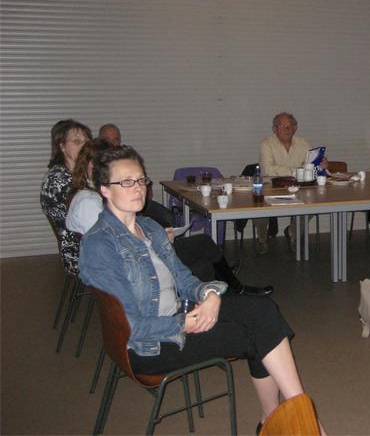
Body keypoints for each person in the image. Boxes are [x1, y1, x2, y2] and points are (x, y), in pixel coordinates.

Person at [78, 146, 323, 434]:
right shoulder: (99, 244)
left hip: (179, 317)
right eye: (126, 182)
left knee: (264, 310)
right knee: (263, 333)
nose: (138, 188)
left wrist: (209, 295)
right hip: (151, 345)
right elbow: (130, 327)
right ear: (105, 189)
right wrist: (184, 322)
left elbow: (184, 279)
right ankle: (302, 425)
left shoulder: (149, 227)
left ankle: (282, 422)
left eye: (141, 179)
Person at [66, 140, 270, 295]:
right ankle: (219, 292)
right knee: (204, 265)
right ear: (86, 167)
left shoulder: (97, 194)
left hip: (148, 248)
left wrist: (156, 235)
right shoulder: (88, 202)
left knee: (204, 242)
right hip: (143, 265)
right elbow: (118, 250)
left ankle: (234, 288)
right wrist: (157, 240)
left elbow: (126, 232)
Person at [258, 113, 328, 251]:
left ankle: (292, 233)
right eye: (282, 126)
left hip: (298, 187)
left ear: (295, 128)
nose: (287, 129)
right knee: (258, 206)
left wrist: (321, 165)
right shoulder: (266, 144)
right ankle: (262, 239)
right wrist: (297, 171)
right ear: (274, 129)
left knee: (312, 203)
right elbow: (268, 169)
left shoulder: (304, 144)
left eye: (290, 126)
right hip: (271, 188)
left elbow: (311, 168)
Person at [40, 119, 92, 275]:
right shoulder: (60, 180)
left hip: (85, 244)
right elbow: (92, 223)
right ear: (62, 146)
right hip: (81, 254)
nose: (85, 146)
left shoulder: (76, 174)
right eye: (77, 141)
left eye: (87, 141)